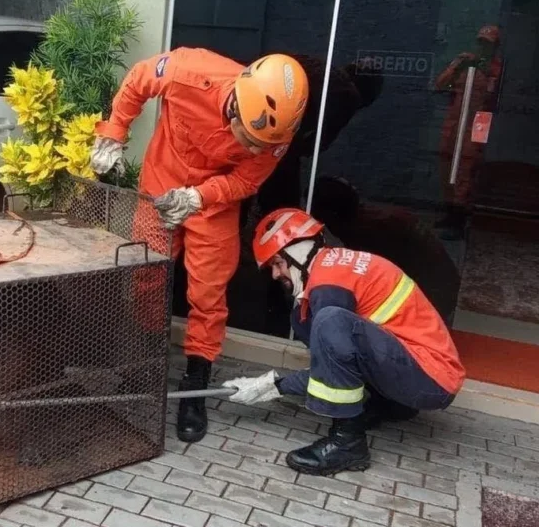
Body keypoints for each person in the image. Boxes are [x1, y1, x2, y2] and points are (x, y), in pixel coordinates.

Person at [91, 47, 310, 443]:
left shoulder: (279, 132)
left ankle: (196, 381)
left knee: (208, 294)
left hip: (214, 203)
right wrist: (113, 134)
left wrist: (199, 198)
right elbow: (138, 81)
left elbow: (246, 180)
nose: (258, 150)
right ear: (235, 107)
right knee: (146, 276)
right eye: (251, 139)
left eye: (266, 144)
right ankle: (146, 359)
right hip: (161, 185)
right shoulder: (188, 71)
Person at [224, 208, 465, 475]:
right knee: (303, 317)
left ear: (300, 253)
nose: (275, 274)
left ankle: (347, 444)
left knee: (328, 321)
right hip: (420, 371)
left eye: (278, 263)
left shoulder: (329, 288)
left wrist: (273, 386)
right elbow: (340, 361)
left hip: (430, 380)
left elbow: (328, 370)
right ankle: (393, 405)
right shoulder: (334, 269)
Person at [309, 175, 461, 323]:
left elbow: (370, 282)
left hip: (432, 301)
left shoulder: (368, 233)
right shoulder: (365, 220)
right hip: (436, 287)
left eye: (318, 216)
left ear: (330, 215)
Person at [434, 25, 503, 240]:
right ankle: (449, 211)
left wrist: (486, 71)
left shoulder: (496, 68)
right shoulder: (465, 63)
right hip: (455, 119)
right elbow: (440, 84)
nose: (484, 47)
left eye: (488, 44)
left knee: (467, 166)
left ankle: (460, 219)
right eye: (481, 42)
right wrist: (457, 65)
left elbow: (496, 96)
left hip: (479, 120)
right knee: (446, 162)